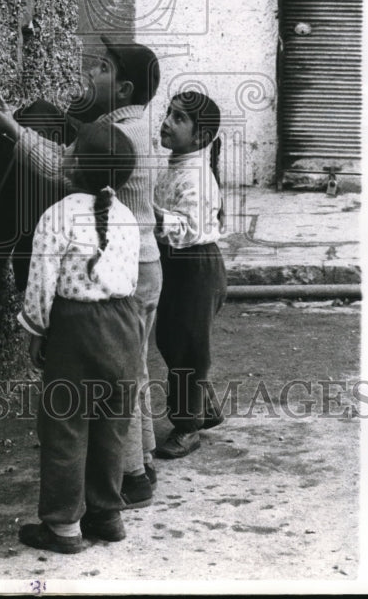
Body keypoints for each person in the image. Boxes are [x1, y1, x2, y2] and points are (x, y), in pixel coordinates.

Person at [0, 36, 162, 508]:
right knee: (131, 369)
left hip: (124, 272)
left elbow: (62, 168)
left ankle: (132, 477)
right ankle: (144, 459)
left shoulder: (119, 138)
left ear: (124, 88)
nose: (90, 74)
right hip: (143, 262)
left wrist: (15, 131)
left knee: (125, 375)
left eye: (101, 69)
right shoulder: (134, 124)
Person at [17, 122, 141, 553]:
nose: (64, 150)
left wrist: (35, 330)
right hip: (125, 327)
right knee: (111, 428)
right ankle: (106, 515)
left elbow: (41, 282)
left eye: (69, 147)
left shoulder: (58, 214)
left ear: (76, 164)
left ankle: (63, 527)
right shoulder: (126, 216)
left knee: (65, 428)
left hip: (76, 328)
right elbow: (131, 278)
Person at [153, 90, 228, 459]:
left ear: (200, 137)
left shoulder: (198, 176)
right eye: (168, 112)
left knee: (188, 349)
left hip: (196, 266)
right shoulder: (178, 164)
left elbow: (191, 229)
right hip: (177, 265)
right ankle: (207, 408)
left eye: (179, 118)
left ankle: (187, 427)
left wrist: (149, 213)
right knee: (172, 340)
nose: (166, 121)